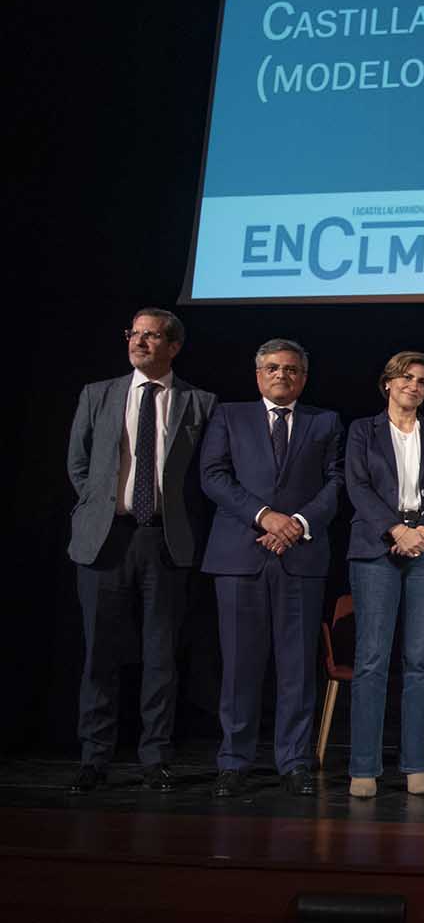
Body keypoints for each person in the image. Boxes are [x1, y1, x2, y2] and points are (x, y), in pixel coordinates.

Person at [65, 308, 217, 793]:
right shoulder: (98, 394)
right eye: (135, 333)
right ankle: (94, 756)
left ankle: (155, 756)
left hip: (164, 540)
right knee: (100, 654)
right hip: (106, 538)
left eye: (152, 336)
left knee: (161, 655)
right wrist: (99, 505)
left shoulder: (199, 402)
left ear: (174, 346)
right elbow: (78, 463)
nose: (140, 342)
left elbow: (204, 475)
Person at [201, 338, 344, 798]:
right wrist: (265, 517)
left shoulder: (325, 421)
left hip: (300, 556)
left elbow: (336, 481)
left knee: (297, 667)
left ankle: (295, 761)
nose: (282, 375)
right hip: (239, 556)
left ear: (304, 377)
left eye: (291, 369)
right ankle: (234, 761)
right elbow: (213, 476)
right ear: (258, 374)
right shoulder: (229, 415)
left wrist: (296, 524)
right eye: (273, 368)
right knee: (239, 666)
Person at [344, 352, 424, 798]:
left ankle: (415, 764)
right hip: (378, 547)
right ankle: (364, 767)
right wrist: (396, 530)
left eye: (422, 381)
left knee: (420, 659)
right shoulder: (363, 430)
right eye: (406, 378)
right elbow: (357, 486)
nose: (413, 386)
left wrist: (423, 530)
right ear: (387, 383)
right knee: (372, 658)